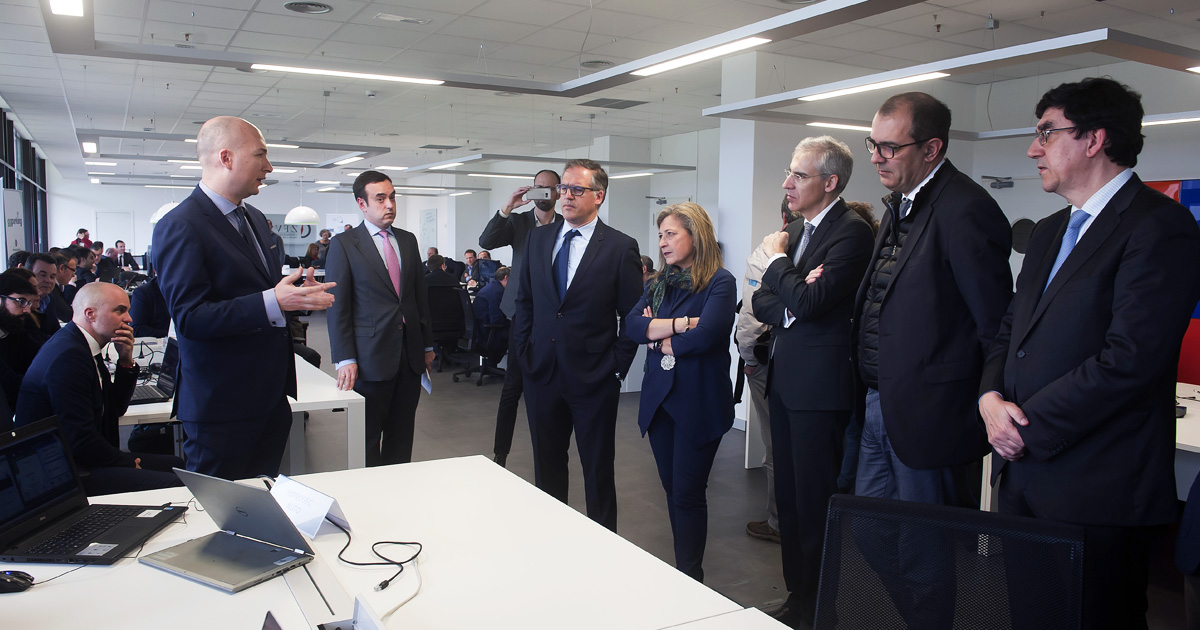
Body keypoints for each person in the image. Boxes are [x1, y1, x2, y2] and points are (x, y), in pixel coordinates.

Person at [978, 77, 1200, 630]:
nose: (1033, 150)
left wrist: (1025, 427)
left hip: (1097, 485)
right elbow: (1010, 331)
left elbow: (1130, 359)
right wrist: (989, 397)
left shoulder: (1159, 225)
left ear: (1095, 138)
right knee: (1028, 614)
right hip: (1023, 476)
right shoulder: (1050, 230)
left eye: (1046, 133)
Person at [850, 92, 1012, 629]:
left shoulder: (966, 208)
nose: (877, 157)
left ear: (932, 148)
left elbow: (994, 322)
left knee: (924, 547)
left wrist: (986, 399)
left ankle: (930, 619)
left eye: (890, 147)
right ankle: (920, 614)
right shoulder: (901, 204)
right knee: (868, 529)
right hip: (879, 402)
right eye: (873, 144)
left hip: (929, 411)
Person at [152, 115, 336, 480]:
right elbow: (190, 318)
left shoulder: (252, 217)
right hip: (221, 407)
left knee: (261, 498)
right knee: (220, 506)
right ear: (226, 158)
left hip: (268, 398)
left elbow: (255, 289)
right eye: (260, 155)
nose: (269, 167)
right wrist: (273, 301)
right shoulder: (180, 225)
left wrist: (293, 295)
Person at [753, 137, 875, 628]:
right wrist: (793, 290)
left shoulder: (852, 233)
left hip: (820, 391)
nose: (787, 183)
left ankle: (823, 607)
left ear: (830, 182)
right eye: (790, 172)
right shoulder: (798, 230)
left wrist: (779, 265)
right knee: (789, 501)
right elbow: (761, 300)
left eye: (799, 175)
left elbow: (808, 303)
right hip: (786, 382)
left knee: (814, 503)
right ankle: (798, 598)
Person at [513, 158, 642, 532]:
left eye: (576, 190)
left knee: (597, 470)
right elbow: (525, 301)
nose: (566, 196)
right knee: (547, 466)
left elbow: (632, 317)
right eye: (563, 189)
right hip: (542, 372)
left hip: (594, 377)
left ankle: (603, 546)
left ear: (598, 196)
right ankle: (554, 539)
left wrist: (615, 367)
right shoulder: (538, 239)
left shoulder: (619, 247)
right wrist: (524, 352)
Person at [626, 202, 735, 581]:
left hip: (698, 402)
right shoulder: (659, 283)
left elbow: (707, 336)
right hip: (660, 403)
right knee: (672, 489)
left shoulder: (720, 281)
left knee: (688, 492)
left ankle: (690, 577)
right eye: (660, 235)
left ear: (696, 235)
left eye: (671, 234)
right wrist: (681, 324)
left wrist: (657, 333)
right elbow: (631, 327)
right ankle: (683, 572)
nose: (663, 242)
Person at [14, 283, 183, 496]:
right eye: (120, 311)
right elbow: (80, 440)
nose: (129, 319)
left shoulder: (81, 344)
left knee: (177, 465)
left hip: (80, 458)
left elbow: (114, 409)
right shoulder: (69, 356)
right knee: (177, 483)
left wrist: (125, 361)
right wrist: (127, 463)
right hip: (64, 473)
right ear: (90, 314)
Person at [325, 170, 434, 467]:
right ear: (362, 203)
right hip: (369, 358)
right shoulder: (345, 244)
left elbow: (418, 297)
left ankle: (397, 488)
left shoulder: (408, 240)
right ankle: (368, 491)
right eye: (381, 198)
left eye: (393, 197)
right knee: (368, 439)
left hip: (409, 357)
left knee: (402, 437)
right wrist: (345, 358)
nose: (390, 205)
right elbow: (338, 306)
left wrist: (427, 345)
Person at [477, 170, 562, 467]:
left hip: (554, 315)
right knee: (513, 386)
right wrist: (507, 207)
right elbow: (486, 240)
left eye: (549, 188)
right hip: (521, 314)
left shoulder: (565, 225)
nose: (544, 193)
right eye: (538, 188)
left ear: (558, 192)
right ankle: (500, 453)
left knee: (552, 385)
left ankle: (550, 451)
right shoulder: (519, 222)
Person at [736, 197, 798, 546]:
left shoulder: (766, 253)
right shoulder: (831, 248)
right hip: (815, 366)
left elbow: (750, 316)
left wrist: (749, 359)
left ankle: (779, 522)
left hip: (768, 363)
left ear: (783, 218)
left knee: (776, 445)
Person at [0, 271, 43, 416]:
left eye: (28, 303)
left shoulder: (13, 327)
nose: (27, 310)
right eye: (21, 301)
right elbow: (8, 384)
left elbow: (40, 355)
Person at [472, 266, 510, 366]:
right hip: (487, 333)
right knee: (517, 331)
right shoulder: (498, 292)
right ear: (506, 277)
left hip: (479, 332)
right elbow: (496, 319)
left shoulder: (490, 287)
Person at [27, 253, 64, 342]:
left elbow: (56, 330)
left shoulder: (50, 298)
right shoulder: (23, 304)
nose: (48, 280)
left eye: (52, 277)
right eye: (43, 275)